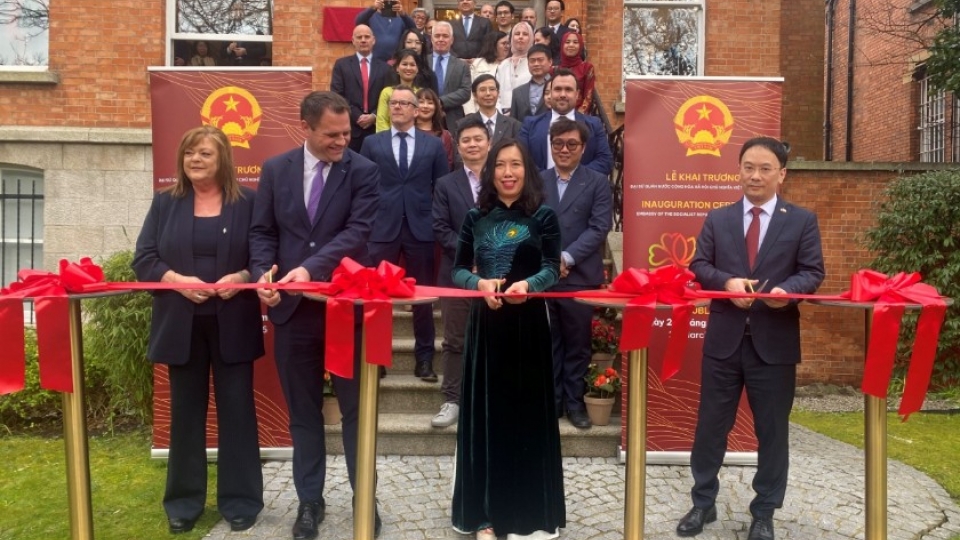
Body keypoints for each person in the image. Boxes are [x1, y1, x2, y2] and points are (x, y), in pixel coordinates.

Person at [677, 137, 825, 540]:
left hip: (774, 343)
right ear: (738, 170)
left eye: (764, 168)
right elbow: (699, 265)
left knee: (772, 431)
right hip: (724, 341)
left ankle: (764, 511)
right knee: (710, 427)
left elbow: (813, 272)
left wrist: (786, 292)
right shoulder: (719, 218)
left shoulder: (801, 221)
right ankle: (702, 502)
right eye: (748, 167)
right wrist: (726, 281)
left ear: (782, 174)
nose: (755, 175)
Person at [249, 92, 382, 540]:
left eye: (346, 133)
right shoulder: (275, 170)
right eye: (332, 134)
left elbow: (357, 232)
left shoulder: (364, 171)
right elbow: (263, 231)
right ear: (305, 126)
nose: (342, 141)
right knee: (303, 413)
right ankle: (310, 501)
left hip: (344, 309)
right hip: (291, 313)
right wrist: (263, 274)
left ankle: (365, 497)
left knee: (356, 412)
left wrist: (309, 270)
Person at [132, 125, 264, 535]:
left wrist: (241, 276)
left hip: (234, 323)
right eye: (189, 153)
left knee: (237, 414)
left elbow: (263, 256)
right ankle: (184, 504)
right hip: (180, 326)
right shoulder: (165, 204)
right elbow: (144, 258)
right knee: (186, 417)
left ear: (223, 158)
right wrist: (177, 280)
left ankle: (240, 501)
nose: (194, 160)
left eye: (204, 154)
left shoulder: (249, 203)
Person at [451, 139, 565, 540]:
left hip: (529, 324)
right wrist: (479, 283)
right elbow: (458, 270)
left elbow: (552, 267)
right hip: (487, 327)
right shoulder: (474, 216)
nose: (508, 172)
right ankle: (486, 515)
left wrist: (528, 286)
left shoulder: (545, 216)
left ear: (527, 170)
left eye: (515, 164)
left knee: (527, 415)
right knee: (487, 419)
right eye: (500, 165)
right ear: (490, 171)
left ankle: (528, 513)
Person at [362, 86, 449, 383]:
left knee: (422, 297)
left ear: (416, 110)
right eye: (393, 103)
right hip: (381, 228)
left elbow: (442, 188)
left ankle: (424, 359)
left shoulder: (433, 145)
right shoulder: (372, 143)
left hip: (420, 227)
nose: (397, 107)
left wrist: (435, 222)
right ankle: (377, 358)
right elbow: (364, 188)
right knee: (378, 297)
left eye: (404, 103)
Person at [542, 118, 612, 430]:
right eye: (558, 143)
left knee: (578, 344)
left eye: (572, 144)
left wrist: (566, 256)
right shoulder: (536, 180)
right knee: (549, 343)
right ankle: (553, 402)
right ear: (551, 145)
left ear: (583, 148)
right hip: (543, 279)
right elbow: (528, 223)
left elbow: (599, 227)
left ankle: (575, 403)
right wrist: (548, 259)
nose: (565, 149)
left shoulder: (597, 182)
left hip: (580, 276)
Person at [431, 116, 490, 429]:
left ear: (488, 143)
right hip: (456, 275)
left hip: (498, 276)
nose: (472, 144)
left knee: (495, 337)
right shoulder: (445, 184)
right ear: (458, 146)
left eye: (478, 139)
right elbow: (440, 227)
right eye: (466, 140)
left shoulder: (505, 179)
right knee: (455, 339)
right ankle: (452, 399)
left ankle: (489, 398)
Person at [517, 68, 613, 175]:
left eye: (568, 89)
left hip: (581, 189)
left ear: (577, 94)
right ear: (551, 93)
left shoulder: (594, 125)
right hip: (539, 189)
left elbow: (605, 161)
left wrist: (572, 179)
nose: (562, 94)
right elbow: (521, 160)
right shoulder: (530, 124)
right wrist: (548, 181)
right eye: (558, 89)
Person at [331, 25, 390, 152]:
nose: (363, 40)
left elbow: (388, 97)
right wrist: (357, 116)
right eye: (359, 37)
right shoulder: (342, 65)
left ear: (373, 40)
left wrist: (374, 115)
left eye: (367, 37)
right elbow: (337, 95)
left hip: (377, 129)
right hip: (350, 129)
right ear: (353, 41)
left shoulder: (385, 68)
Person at [431, 21, 473, 130]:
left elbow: (465, 92)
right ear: (431, 39)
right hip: (424, 117)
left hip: (452, 119)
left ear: (452, 40)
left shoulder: (461, 65)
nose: (441, 39)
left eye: (445, 36)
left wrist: (441, 102)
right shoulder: (422, 62)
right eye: (437, 36)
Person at [458, 74, 520, 145]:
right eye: (482, 90)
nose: (488, 93)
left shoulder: (514, 125)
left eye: (492, 89)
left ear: (498, 93)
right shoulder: (462, 125)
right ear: (475, 95)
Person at [376, 49, 426, 132]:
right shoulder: (387, 92)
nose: (408, 68)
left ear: (417, 69)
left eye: (412, 65)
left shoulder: (421, 93)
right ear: (397, 68)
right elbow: (382, 120)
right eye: (404, 64)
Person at [463, 30, 508, 115]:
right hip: (479, 113)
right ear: (493, 45)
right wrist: (470, 114)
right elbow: (469, 91)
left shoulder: (510, 64)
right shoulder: (478, 64)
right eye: (503, 43)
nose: (507, 46)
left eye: (508, 43)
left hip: (503, 115)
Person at [495, 21, 533, 113]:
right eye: (517, 34)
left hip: (526, 115)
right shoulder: (503, 65)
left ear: (531, 38)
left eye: (525, 34)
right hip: (502, 115)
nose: (520, 37)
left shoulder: (534, 64)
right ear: (512, 38)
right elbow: (496, 92)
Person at [553, 32, 595, 113]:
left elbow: (588, 97)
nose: (571, 45)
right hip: (556, 114)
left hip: (578, 117)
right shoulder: (554, 70)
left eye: (575, 42)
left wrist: (578, 116)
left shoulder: (587, 68)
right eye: (567, 42)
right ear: (562, 45)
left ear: (580, 46)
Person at [416, 87, 456, 169]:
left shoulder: (445, 135)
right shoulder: (406, 132)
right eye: (421, 102)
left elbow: (448, 164)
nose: (425, 106)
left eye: (430, 103)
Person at [510, 44, 552, 121]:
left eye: (540, 60)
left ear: (550, 62)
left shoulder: (558, 88)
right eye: (532, 61)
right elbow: (513, 122)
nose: (536, 64)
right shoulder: (518, 92)